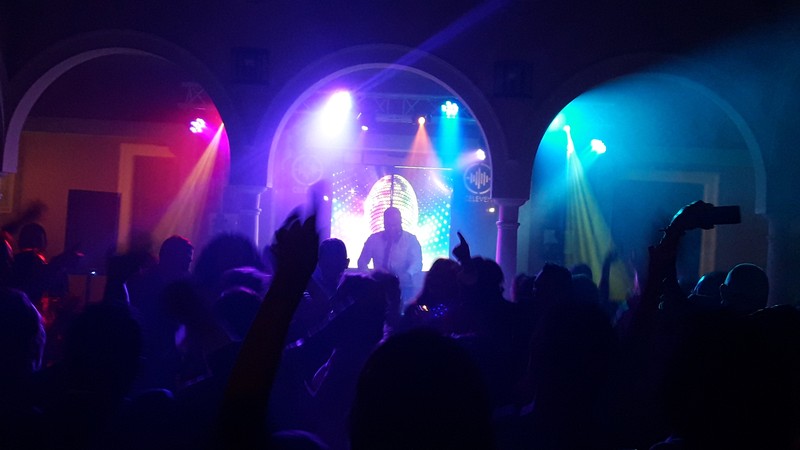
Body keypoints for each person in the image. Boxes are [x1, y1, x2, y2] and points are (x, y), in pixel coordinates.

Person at [356, 207, 422, 299]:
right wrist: (369, 277)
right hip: (378, 287)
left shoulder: (411, 240)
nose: (392, 228)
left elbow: (417, 263)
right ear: (384, 223)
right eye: (389, 225)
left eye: (395, 225)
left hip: (402, 288)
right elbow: (362, 261)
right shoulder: (373, 239)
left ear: (400, 222)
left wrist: (407, 274)